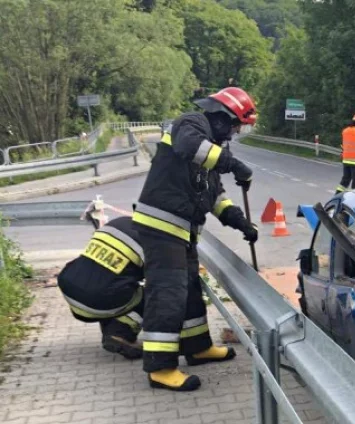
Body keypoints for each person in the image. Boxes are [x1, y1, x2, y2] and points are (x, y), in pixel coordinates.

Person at [133, 86, 259, 392]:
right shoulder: (190, 125)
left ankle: (198, 348)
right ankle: (160, 368)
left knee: (189, 292)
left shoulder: (210, 148)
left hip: (181, 233)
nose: (233, 134)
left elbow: (216, 198)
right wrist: (234, 164)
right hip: (161, 228)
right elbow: (191, 147)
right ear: (221, 118)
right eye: (234, 126)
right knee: (168, 294)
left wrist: (242, 224)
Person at [57, 215, 145, 360]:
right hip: (97, 300)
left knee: (112, 281)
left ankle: (110, 327)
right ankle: (121, 333)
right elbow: (161, 281)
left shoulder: (117, 223)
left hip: (70, 287)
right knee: (155, 294)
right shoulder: (153, 241)